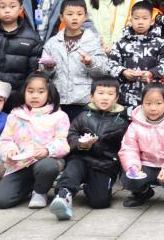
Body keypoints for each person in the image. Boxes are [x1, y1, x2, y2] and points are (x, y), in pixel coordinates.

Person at [50, 77, 129, 220]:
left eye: (110, 94)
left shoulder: (122, 121)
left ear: (117, 98)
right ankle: (63, 195)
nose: (105, 97)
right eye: (100, 93)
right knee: (73, 169)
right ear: (91, 97)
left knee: (100, 202)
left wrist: (125, 171)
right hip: (81, 157)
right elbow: (71, 135)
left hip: (104, 164)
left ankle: (91, 186)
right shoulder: (83, 116)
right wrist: (80, 144)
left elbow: (126, 148)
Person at [0, 74, 70, 210]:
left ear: (49, 94)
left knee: (47, 167)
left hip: (45, 161)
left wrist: (47, 151)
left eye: (41, 92)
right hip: (20, 164)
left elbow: (62, 142)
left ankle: (40, 192)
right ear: (24, 92)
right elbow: (5, 140)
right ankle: (29, 185)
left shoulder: (59, 116)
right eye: (30, 91)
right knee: (1, 201)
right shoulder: (15, 115)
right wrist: (9, 151)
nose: (35, 96)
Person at [119, 84, 164, 209]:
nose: (153, 108)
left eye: (158, 103)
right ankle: (143, 193)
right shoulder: (135, 125)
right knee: (128, 179)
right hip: (145, 165)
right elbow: (129, 149)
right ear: (142, 103)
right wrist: (133, 166)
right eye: (148, 103)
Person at [41, 0, 110, 122]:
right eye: (70, 14)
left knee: (81, 132)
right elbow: (43, 73)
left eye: (79, 14)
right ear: (61, 17)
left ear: (85, 17)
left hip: (84, 101)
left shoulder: (92, 41)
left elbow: (103, 70)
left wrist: (90, 62)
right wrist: (48, 68)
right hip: (57, 100)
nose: (74, 18)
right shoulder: (52, 43)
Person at [106, 1, 164, 112]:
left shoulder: (160, 43)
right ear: (131, 20)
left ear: (152, 21)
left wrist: (151, 73)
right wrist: (123, 72)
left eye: (145, 18)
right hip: (125, 97)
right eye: (136, 18)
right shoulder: (121, 42)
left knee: (151, 121)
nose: (140, 22)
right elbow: (111, 64)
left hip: (153, 97)